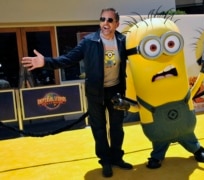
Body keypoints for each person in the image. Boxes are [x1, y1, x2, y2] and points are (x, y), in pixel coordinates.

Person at [22, 7, 133, 178]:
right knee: (99, 128)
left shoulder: (123, 41)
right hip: (95, 92)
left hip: (115, 90)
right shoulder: (89, 41)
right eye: (102, 19)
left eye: (110, 20)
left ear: (116, 23)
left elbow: (137, 57)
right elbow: (68, 59)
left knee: (117, 128)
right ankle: (105, 161)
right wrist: (46, 62)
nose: (105, 23)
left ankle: (117, 158)